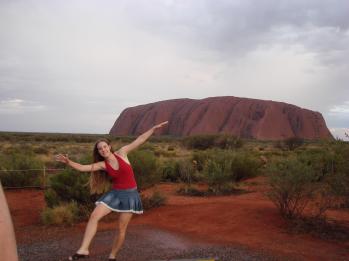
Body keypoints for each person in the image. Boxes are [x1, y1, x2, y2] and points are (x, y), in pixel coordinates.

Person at [55, 121, 168, 260]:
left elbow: (140, 140)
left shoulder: (122, 153)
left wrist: (153, 129)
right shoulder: (103, 164)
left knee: (121, 229)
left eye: (104, 146)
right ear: (99, 152)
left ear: (109, 146)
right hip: (115, 194)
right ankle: (83, 250)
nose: (103, 150)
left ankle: (112, 256)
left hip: (130, 195)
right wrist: (69, 162)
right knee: (94, 216)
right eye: (100, 149)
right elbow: (83, 167)